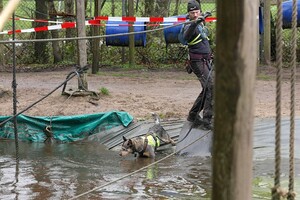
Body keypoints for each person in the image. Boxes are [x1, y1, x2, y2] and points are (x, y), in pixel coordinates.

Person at [183, 0, 213, 130]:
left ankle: (193, 115)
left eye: (197, 12)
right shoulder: (189, 24)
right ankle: (207, 121)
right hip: (197, 62)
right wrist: (196, 22)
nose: (195, 15)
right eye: (192, 13)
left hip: (206, 60)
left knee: (207, 88)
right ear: (188, 13)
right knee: (211, 86)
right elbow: (187, 36)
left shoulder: (200, 23)